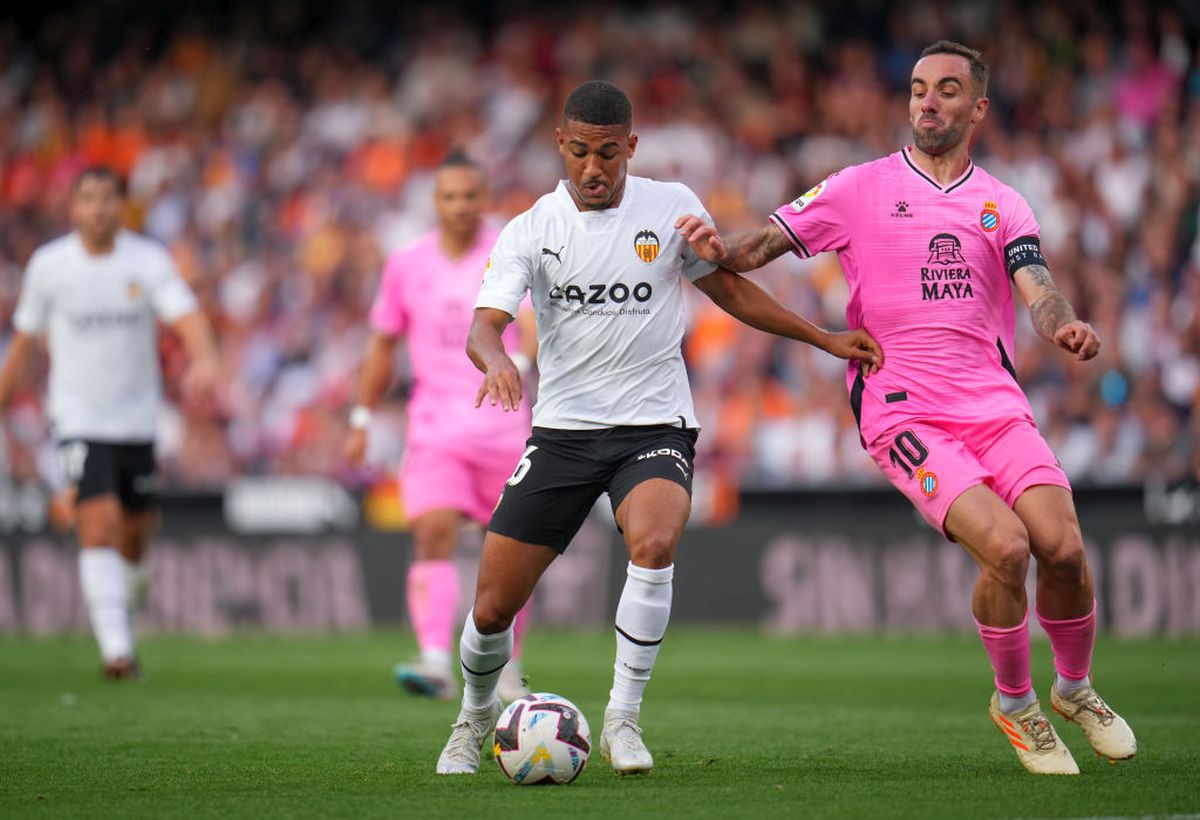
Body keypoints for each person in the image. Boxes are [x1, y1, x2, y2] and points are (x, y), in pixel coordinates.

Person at [675, 40, 1137, 776]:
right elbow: (762, 244)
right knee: (1008, 548)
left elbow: (1038, 286)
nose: (928, 100)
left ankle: (1075, 689)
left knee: (1064, 547)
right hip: (902, 408)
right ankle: (1015, 703)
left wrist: (1064, 325)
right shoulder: (858, 187)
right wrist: (716, 244)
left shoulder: (1003, 203)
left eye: (948, 90)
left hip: (992, 402)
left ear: (977, 107)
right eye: (920, 87)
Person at [435, 79, 882, 776]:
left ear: (631, 148)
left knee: (653, 539)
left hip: (654, 424)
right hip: (562, 433)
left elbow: (728, 289)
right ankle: (472, 717)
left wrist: (820, 337)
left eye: (608, 153)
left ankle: (622, 720)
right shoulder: (532, 227)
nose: (593, 167)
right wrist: (495, 362)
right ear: (561, 145)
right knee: (492, 608)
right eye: (580, 151)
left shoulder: (671, 209)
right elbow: (482, 326)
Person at [0, 166, 219, 679]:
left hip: (137, 422)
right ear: (72, 207)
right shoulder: (50, 266)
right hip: (77, 418)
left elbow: (185, 316)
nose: (98, 208)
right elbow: (26, 343)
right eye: (88, 198)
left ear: (122, 205)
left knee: (136, 535)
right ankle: (117, 652)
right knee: (97, 521)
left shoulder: (146, 260)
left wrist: (205, 359)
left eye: (107, 198)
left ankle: (126, 602)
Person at [344, 151, 537, 703]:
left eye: (469, 195)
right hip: (434, 429)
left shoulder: (510, 248)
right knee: (431, 530)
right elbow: (382, 344)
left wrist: (518, 366)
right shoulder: (407, 262)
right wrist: (360, 417)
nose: (460, 206)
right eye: (449, 196)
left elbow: (532, 324)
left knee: (512, 553)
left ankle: (507, 668)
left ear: (485, 198)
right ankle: (434, 658)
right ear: (435, 202)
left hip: (503, 427)